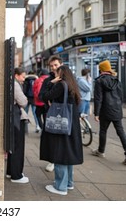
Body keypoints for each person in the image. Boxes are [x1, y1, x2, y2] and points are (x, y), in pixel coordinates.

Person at [41, 65, 83, 195]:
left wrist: (50, 83)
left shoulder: (61, 85)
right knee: (68, 153)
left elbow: (44, 96)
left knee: (59, 153)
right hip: (71, 124)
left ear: (62, 74)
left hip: (61, 123)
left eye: (57, 73)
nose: (55, 75)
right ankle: (69, 183)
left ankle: (60, 187)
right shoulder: (73, 86)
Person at [92, 60, 126, 165]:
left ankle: (101, 151)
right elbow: (121, 97)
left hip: (105, 111)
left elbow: (98, 98)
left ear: (101, 70)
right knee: (121, 132)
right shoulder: (117, 81)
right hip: (116, 110)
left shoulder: (99, 81)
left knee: (103, 131)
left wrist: (96, 113)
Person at [38, 55, 63, 172]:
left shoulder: (68, 79)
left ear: (61, 65)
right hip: (52, 114)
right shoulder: (48, 80)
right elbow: (41, 96)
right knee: (52, 138)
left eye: (56, 65)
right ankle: (52, 160)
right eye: (51, 66)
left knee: (63, 140)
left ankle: (61, 161)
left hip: (65, 114)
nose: (53, 68)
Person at [6, 68, 30, 183]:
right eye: (23, 76)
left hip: (12, 118)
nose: (24, 79)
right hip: (16, 119)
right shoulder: (15, 85)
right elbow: (23, 101)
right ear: (16, 75)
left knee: (13, 146)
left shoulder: (10, 82)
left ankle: (11, 172)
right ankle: (16, 175)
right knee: (18, 148)